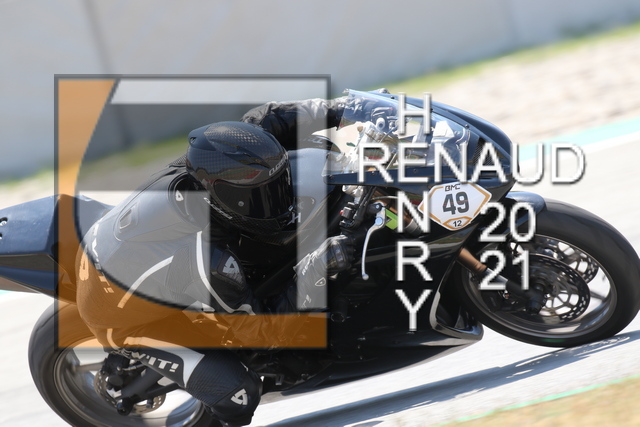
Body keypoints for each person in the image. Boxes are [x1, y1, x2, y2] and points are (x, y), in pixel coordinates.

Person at [75, 97, 357, 426]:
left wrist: (345, 107)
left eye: (279, 186)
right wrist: (314, 270)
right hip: (121, 316)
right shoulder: (205, 259)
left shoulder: (213, 163)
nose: (279, 200)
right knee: (238, 395)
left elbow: (266, 119)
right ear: (222, 196)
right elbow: (263, 333)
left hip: (123, 251)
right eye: (261, 197)